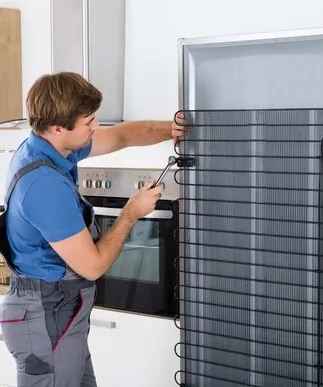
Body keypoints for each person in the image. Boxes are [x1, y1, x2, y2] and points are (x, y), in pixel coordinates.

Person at [0, 71, 186, 387]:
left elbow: (123, 135)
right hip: (45, 318)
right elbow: (94, 265)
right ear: (58, 127)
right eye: (89, 122)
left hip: (61, 314)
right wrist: (131, 212)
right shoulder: (44, 186)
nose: (96, 127)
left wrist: (173, 129)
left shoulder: (53, 146)